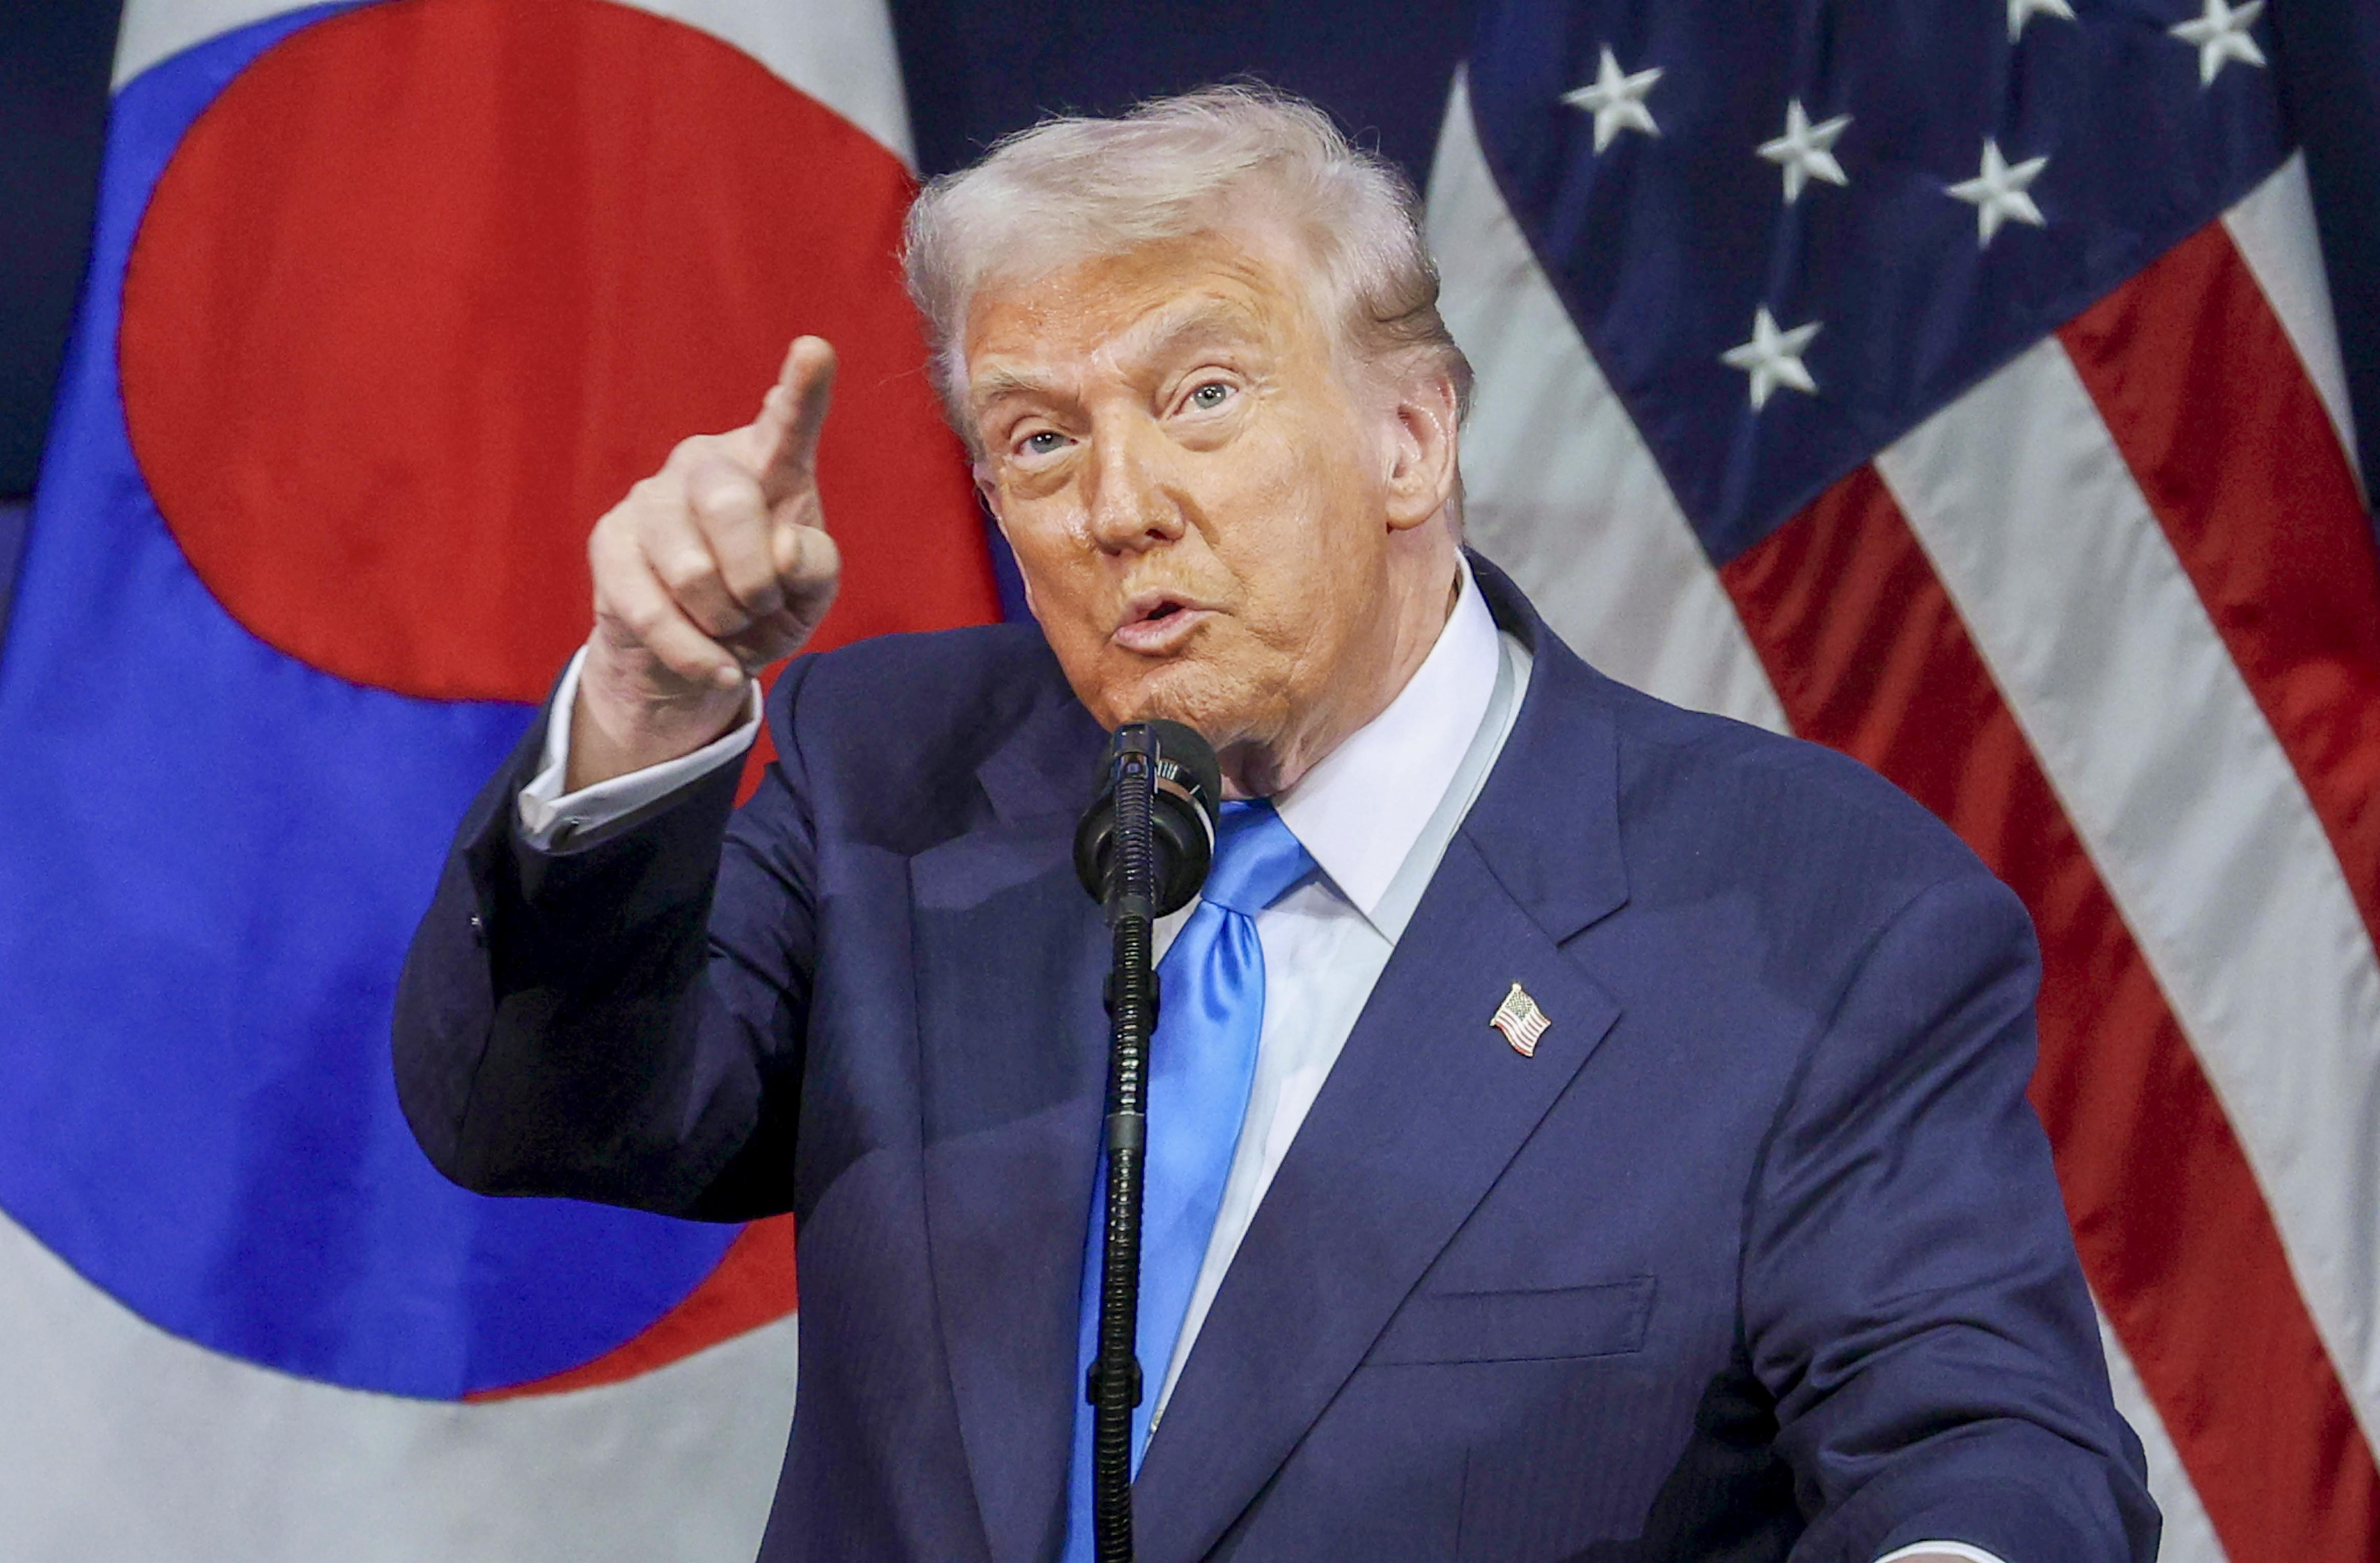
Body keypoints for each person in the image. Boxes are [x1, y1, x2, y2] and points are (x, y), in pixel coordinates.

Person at [393, 87, 2157, 1563]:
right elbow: (536, 1114)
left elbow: (1988, 1451)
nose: (1120, 507)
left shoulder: (1813, 913)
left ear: (1411, 439)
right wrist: (653, 703)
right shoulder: (895, 781)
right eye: (1038, 440)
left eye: (1204, 397)